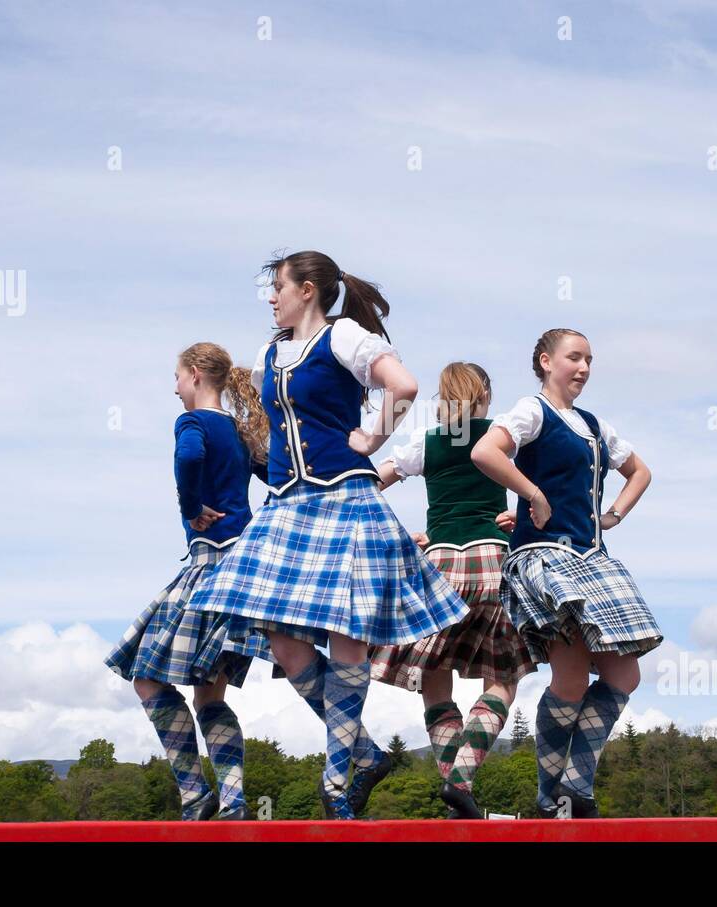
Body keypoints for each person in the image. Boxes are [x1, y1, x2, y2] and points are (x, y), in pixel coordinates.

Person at [188, 250, 468, 819]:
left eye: (278, 287)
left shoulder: (344, 338)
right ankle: (364, 752)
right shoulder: (272, 353)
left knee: (346, 637)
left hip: (343, 495)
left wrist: (372, 437)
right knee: (281, 639)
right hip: (288, 503)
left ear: (307, 289)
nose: (271, 298)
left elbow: (405, 386)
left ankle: (339, 778)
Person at [471, 328, 663, 818]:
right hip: (545, 556)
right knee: (572, 677)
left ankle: (573, 787)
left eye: (589, 360)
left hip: (592, 556)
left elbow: (640, 471)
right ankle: (554, 798)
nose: (583, 368)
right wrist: (532, 494)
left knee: (624, 673)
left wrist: (613, 515)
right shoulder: (532, 410)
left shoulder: (596, 425)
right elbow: (486, 452)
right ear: (545, 361)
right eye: (574, 358)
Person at [104, 341, 272, 821]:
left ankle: (197, 795)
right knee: (209, 695)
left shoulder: (192, 423)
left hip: (209, 565)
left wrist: (191, 508)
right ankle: (234, 801)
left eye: (177, 377)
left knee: (146, 680)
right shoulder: (240, 432)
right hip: (243, 573)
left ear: (196, 375)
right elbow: (277, 475)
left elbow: (189, 457)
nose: (174, 387)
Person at [370, 362, 535, 818]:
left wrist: (402, 538)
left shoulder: (425, 444)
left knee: (434, 678)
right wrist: (526, 514)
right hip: (494, 560)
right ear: (486, 394)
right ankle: (461, 780)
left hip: (439, 564)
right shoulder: (503, 436)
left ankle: (453, 790)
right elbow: (550, 479)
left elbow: (366, 489)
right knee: (503, 678)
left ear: (441, 398)